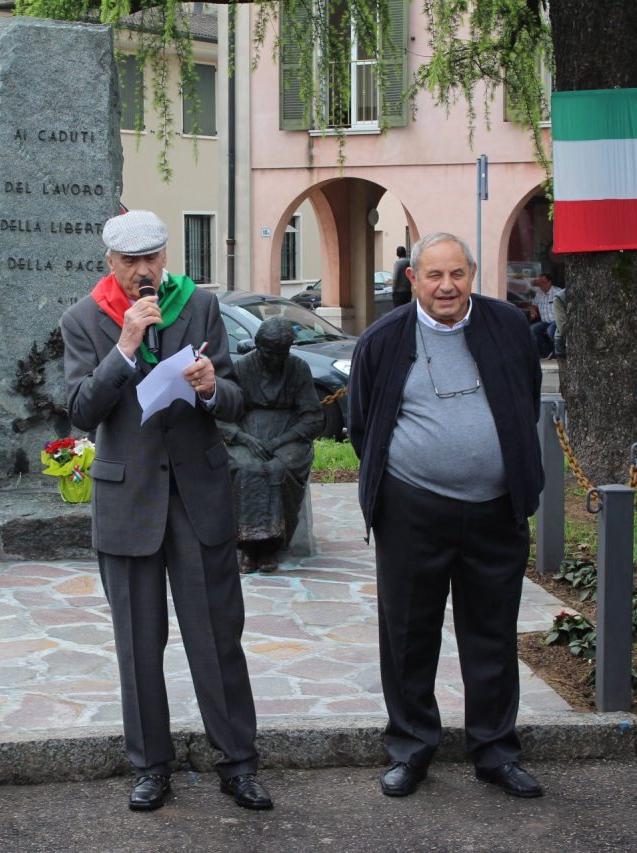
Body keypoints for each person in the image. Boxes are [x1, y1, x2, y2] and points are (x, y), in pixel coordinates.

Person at [60, 210, 273, 812]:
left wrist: (209, 387)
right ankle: (150, 766)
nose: (144, 271)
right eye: (131, 262)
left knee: (217, 640)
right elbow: (81, 408)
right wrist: (126, 345)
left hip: (198, 497)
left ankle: (238, 764)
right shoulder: (83, 320)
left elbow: (235, 399)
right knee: (137, 643)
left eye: (152, 257)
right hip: (128, 502)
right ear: (111, 264)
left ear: (164, 257)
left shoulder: (199, 307)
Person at [348, 231, 545, 800]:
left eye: (457, 274)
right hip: (413, 510)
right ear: (413, 279)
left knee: (492, 633)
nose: (446, 286)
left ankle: (495, 751)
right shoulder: (383, 340)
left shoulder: (507, 326)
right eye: (433, 275)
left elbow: (524, 399)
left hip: (495, 511)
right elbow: (365, 426)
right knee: (408, 634)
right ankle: (410, 751)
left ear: (472, 274)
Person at [219, 316, 324, 574]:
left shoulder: (298, 368)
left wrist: (281, 440)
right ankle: (247, 544)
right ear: (257, 345)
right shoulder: (242, 368)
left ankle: (270, 546)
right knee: (246, 467)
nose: (275, 359)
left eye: (281, 354)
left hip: (288, 437)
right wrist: (244, 438)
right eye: (269, 353)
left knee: (279, 468)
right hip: (247, 435)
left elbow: (313, 417)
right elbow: (222, 416)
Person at [529, 272, 564, 359]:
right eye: (539, 282)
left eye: (543, 282)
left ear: (549, 282)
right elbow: (534, 304)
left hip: (556, 321)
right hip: (545, 322)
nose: (540, 285)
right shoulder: (539, 293)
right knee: (531, 330)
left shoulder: (558, 292)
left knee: (550, 331)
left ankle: (557, 352)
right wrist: (533, 309)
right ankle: (545, 352)